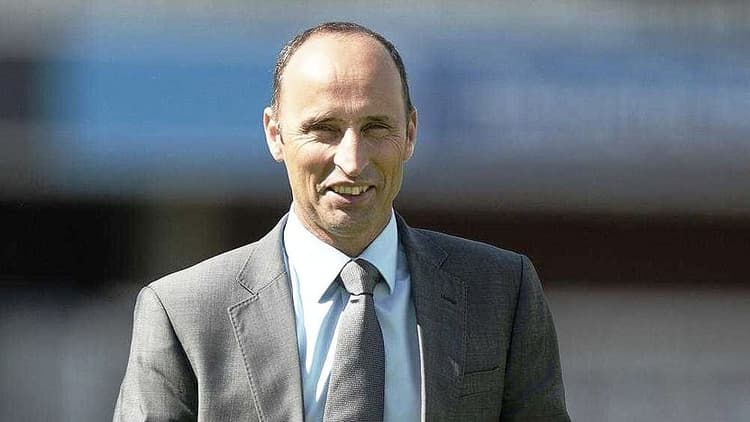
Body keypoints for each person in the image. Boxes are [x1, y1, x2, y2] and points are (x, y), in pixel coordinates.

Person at [114, 21, 570, 422]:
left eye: (376, 128)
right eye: (324, 129)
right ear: (275, 134)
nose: (352, 161)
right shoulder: (183, 312)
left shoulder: (501, 291)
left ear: (410, 133)